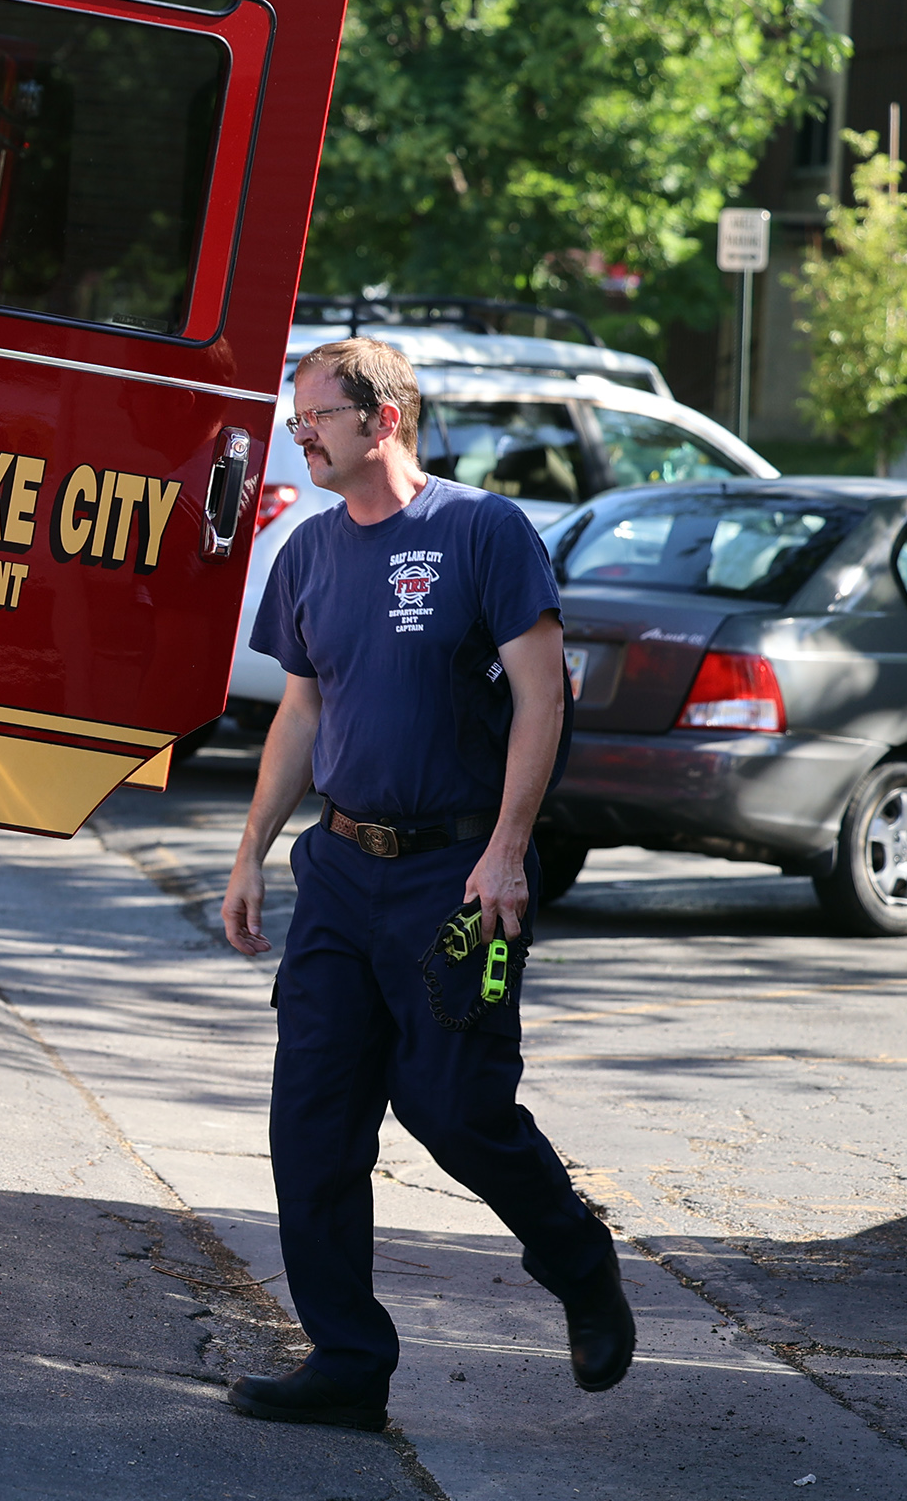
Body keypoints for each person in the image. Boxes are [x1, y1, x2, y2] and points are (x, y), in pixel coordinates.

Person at [219, 335, 633, 1432]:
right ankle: (348, 1361)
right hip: (342, 870)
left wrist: (506, 845)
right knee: (311, 1120)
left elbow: (543, 700)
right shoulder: (308, 552)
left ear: (383, 420)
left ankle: (581, 1261)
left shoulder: (483, 532)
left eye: (315, 415)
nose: (299, 432)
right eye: (299, 415)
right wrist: (254, 848)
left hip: (459, 873)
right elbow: (300, 712)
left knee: (453, 1106)